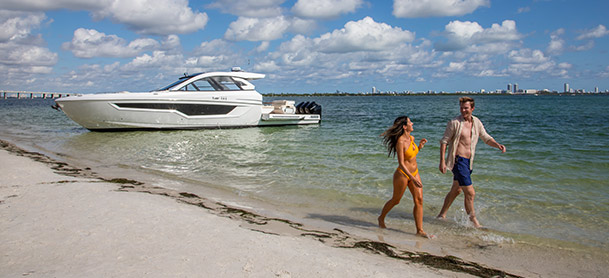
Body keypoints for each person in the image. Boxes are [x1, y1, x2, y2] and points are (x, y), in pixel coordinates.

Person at [436, 97, 506, 228]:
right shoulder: (454, 123)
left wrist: (497, 145)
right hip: (458, 161)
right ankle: (474, 223)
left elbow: (486, 137)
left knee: (456, 190)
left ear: (472, 109)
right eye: (461, 108)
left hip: (468, 162)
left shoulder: (477, 122)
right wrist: (442, 162)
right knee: (470, 193)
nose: (463, 110)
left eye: (466, 108)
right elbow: (444, 141)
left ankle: (441, 215)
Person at [378, 116, 429, 238]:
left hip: (415, 172)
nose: (412, 123)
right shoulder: (400, 141)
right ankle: (381, 218)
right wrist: (412, 177)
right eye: (410, 122)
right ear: (405, 127)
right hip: (403, 174)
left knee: (419, 200)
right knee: (396, 200)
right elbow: (401, 162)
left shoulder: (411, 138)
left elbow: (411, 155)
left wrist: (419, 147)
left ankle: (420, 230)